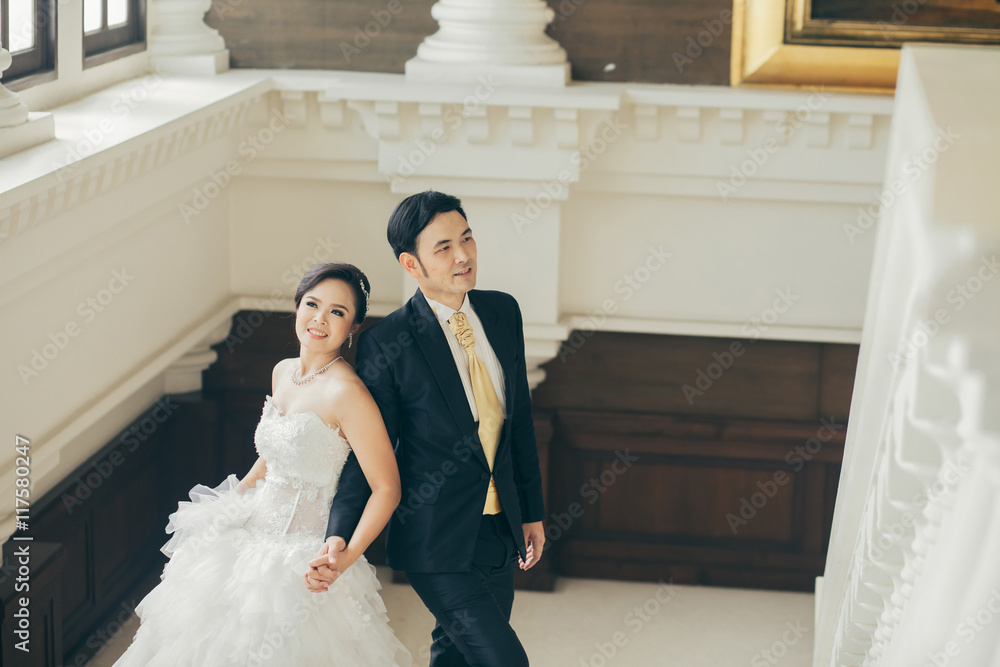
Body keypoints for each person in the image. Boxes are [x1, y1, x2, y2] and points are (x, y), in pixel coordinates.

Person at [114, 262, 411, 667]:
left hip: (301, 555)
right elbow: (271, 461)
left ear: (353, 327)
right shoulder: (283, 373)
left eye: (338, 312)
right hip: (248, 534)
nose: (320, 319)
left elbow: (386, 488)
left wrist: (347, 555)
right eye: (312, 304)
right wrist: (226, 507)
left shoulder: (349, 393)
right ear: (297, 306)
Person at [305, 191, 547, 667]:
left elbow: (519, 423)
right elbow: (368, 450)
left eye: (468, 238)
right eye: (444, 247)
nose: (463, 255)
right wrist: (339, 532)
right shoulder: (388, 342)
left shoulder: (503, 313)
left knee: (454, 655)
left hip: (499, 528)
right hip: (434, 538)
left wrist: (532, 511)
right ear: (411, 264)